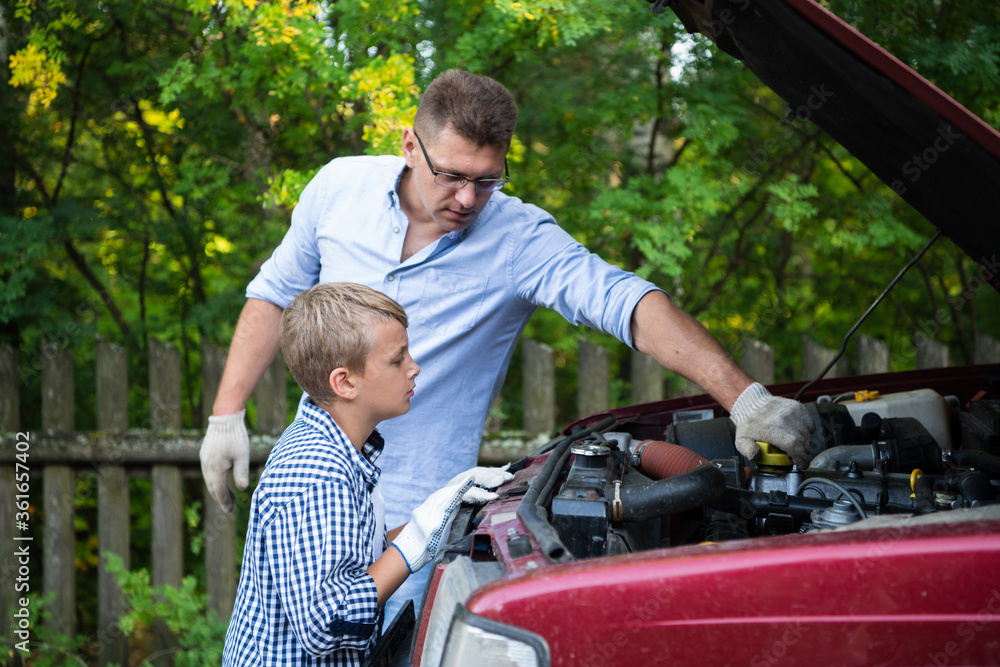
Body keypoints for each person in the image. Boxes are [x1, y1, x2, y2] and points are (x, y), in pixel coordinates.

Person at [201, 69, 815, 624]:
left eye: (487, 180)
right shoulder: (338, 189)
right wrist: (226, 415)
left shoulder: (518, 240)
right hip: (326, 488)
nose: (469, 199)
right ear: (411, 146)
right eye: (453, 175)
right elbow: (274, 294)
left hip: (421, 524)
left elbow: (626, 302)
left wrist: (747, 400)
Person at [222, 282, 512, 666]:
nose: (414, 367)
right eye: (397, 359)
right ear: (344, 383)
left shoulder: (338, 448)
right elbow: (326, 623)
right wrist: (414, 543)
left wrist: (441, 513)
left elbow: (349, 556)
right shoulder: (317, 475)